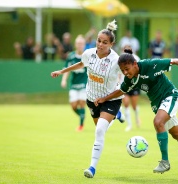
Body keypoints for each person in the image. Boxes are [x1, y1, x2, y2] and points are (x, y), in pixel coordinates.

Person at [94, 49, 178, 176]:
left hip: (170, 95)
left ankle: (165, 161)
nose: (125, 72)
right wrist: (104, 99)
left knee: (158, 122)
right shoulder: (130, 79)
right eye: (122, 70)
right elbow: (121, 90)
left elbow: (175, 61)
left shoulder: (150, 65)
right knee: (177, 134)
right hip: (157, 104)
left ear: (135, 64)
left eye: (127, 69)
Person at [51, 20, 124, 179]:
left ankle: (92, 167)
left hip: (110, 99)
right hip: (92, 99)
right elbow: (80, 64)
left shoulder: (116, 60)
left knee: (99, 131)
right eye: (99, 41)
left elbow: (127, 73)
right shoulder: (89, 54)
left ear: (111, 44)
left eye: (105, 42)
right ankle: (116, 116)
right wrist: (62, 71)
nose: (100, 44)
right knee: (101, 128)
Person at [61, 35, 88, 132]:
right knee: (73, 106)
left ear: (84, 45)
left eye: (82, 44)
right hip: (73, 84)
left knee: (81, 103)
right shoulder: (71, 56)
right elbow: (67, 70)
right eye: (78, 43)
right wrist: (64, 80)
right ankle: (82, 115)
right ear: (75, 44)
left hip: (84, 84)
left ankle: (81, 125)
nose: (80, 45)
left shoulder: (87, 56)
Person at [119, 44, 141, 132]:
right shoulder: (120, 60)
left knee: (134, 106)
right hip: (125, 84)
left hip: (135, 85)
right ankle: (129, 125)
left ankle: (137, 119)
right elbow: (119, 73)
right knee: (126, 104)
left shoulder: (136, 59)